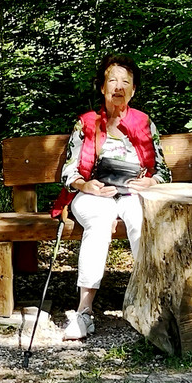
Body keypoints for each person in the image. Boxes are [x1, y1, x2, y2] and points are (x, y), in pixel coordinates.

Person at [49, 54, 170, 341]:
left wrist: (150, 181)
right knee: (101, 221)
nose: (118, 86)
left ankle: (150, 304)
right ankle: (84, 311)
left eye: (125, 82)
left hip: (132, 192)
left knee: (142, 221)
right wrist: (86, 185)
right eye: (112, 80)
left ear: (133, 90)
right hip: (95, 193)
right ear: (102, 88)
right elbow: (69, 171)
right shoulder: (87, 123)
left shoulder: (144, 122)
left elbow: (164, 171)